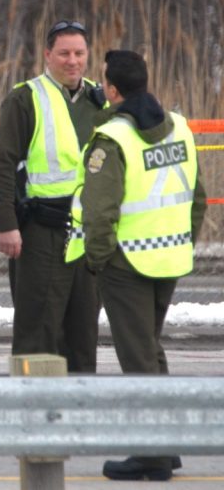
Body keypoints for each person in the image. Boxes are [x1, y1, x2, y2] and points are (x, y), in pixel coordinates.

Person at [66, 50, 207, 481]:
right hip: (169, 256)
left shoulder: (112, 138)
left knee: (138, 357)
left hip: (126, 264)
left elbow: (100, 210)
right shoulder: (178, 126)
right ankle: (164, 447)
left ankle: (150, 455)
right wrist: (183, 240)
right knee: (151, 350)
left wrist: (98, 260)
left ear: (111, 91)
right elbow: (197, 198)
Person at [0, 20, 106, 373]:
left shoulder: (100, 101)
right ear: (48, 55)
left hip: (87, 236)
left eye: (80, 53)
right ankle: (33, 412)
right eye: (64, 53)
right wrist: (7, 225)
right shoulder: (25, 98)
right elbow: (2, 165)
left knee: (83, 331)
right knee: (38, 328)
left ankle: (78, 414)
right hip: (41, 232)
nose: (73, 61)